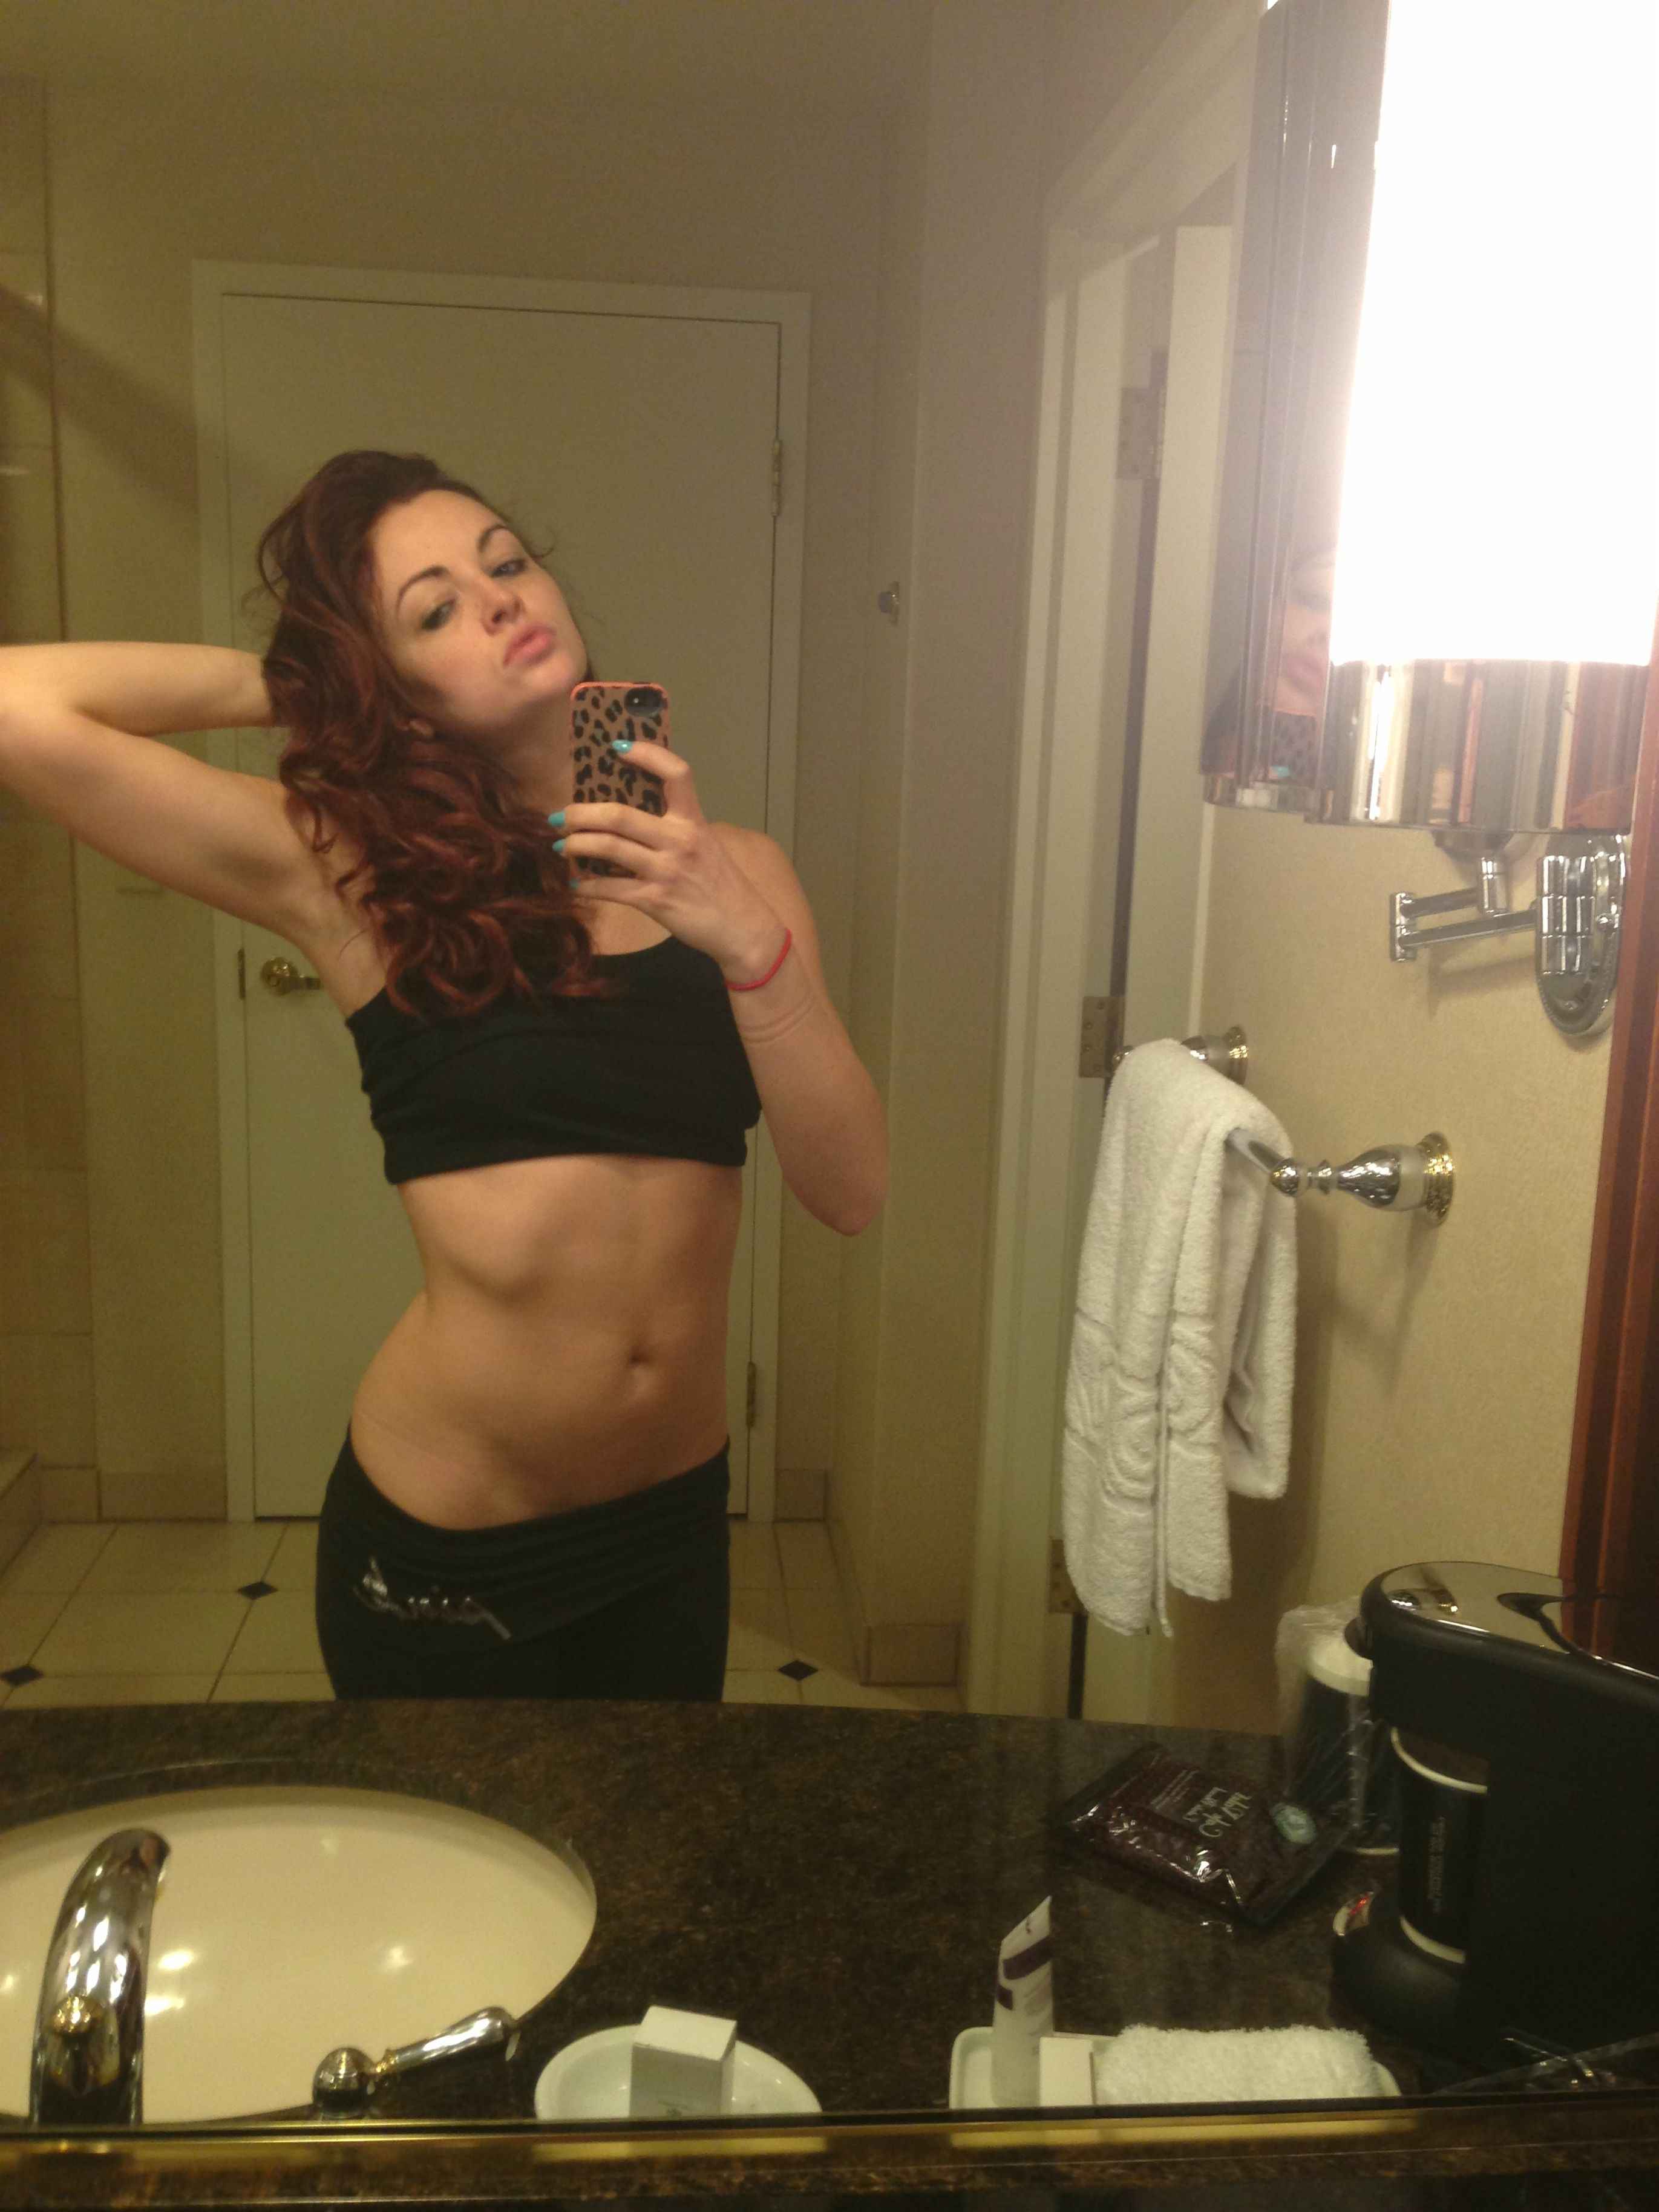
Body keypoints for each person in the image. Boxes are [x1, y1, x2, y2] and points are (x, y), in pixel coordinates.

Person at [0, 449, 887, 1701]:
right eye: (433, 611)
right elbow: (19, 706)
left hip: (671, 1526)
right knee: (443, 1838)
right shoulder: (352, 876)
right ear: (392, 684)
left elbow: (850, 1192)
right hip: (452, 1545)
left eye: (505, 561)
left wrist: (749, 943)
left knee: (651, 1834)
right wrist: (317, 687)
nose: (499, 599)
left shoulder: (743, 872)